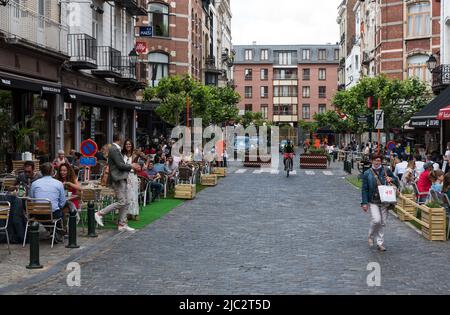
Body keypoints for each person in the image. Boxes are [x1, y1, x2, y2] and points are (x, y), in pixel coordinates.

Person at [94, 133, 141, 232]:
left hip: (121, 178)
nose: (124, 141)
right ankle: (99, 213)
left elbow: (120, 165)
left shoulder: (115, 149)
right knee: (122, 202)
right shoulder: (114, 149)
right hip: (118, 179)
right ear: (120, 138)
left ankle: (122, 224)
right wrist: (132, 166)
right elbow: (120, 165)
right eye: (123, 138)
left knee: (127, 201)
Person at [361, 154, 399, 251]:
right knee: (376, 220)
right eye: (375, 160)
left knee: (383, 222)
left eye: (379, 160)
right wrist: (364, 203)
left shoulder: (386, 170)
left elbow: (396, 181)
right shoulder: (367, 173)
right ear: (372, 161)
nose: (377, 162)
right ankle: (370, 236)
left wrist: (391, 179)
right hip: (373, 200)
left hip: (385, 200)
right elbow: (364, 189)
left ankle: (380, 243)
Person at [29, 163, 67, 243]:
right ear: (52, 172)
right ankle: (58, 230)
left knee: (54, 211)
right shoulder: (58, 183)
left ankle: (54, 231)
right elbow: (63, 202)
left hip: (37, 214)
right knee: (61, 211)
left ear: (41, 172)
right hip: (52, 214)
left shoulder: (34, 183)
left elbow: (31, 199)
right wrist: (58, 206)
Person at [122, 139, 139, 220]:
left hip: (133, 176)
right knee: (126, 195)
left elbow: (141, 164)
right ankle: (128, 213)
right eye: (126, 144)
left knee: (134, 195)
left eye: (129, 144)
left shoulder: (135, 154)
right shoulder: (122, 154)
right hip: (124, 176)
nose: (128, 145)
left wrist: (141, 166)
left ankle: (135, 213)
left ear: (132, 145)